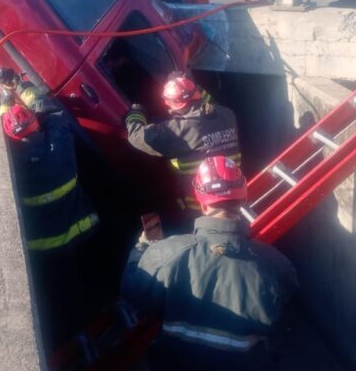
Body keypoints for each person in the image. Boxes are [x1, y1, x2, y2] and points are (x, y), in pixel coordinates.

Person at [120, 156, 298, 370]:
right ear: (243, 198)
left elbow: (133, 290)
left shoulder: (165, 254)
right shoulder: (276, 265)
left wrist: (142, 247)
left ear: (202, 203)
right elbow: (284, 301)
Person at [0, 67, 101, 351]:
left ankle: (65, 341)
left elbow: (9, 128)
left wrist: (5, 102)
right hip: (81, 231)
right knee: (82, 282)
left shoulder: (13, 168)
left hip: (43, 248)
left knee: (55, 295)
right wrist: (19, 85)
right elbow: (53, 112)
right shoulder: (59, 146)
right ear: (36, 125)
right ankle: (88, 326)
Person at [125, 73, 241, 220]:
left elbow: (137, 136)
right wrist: (188, 84)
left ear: (169, 103)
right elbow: (210, 102)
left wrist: (135, 113)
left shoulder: (177, 130)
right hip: (234, 198)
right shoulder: (227, 114)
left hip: (201, 209)